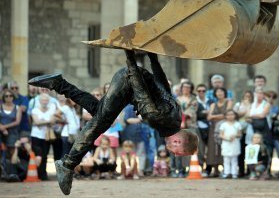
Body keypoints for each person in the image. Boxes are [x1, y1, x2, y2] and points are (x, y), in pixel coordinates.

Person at [28, 51, 198, 195]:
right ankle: (68, 164)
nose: (174, 154)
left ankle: (58, 83)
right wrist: (130, 56)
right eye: (178, 152)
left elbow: (162, 85)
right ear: (177, 141)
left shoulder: (175, 116)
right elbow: (140, 90)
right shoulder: (158, 117)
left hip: (133, 81)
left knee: (98, 111)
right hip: (129, 81)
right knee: (99, 123)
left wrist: (153, 58)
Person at [206, 87, 233, 177]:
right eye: (217, 92)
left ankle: (226, 169)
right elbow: (209, 117)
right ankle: (215, 170)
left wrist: (214, 116)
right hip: (213, 128)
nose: (219, 93)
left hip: (225, 128)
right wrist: (219, 116)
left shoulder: (229, 102)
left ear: (225, 93)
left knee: (224, 148)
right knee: (213, 149)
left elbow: (227, 115)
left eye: (221, 91)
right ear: (215, 94)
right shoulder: (213, 104)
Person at [30, 93, 55, 181]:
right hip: (35, 135)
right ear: (39, 101)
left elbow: (52, 122)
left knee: (44, 156)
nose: (44, 101)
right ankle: (36, 174)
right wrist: (46, 121)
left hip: (46, 136)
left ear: (48, 101)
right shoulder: (35, 110)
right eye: (43, 100)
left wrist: (42, 121)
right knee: (38, 154)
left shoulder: (51, 110)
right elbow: (36, 122)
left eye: (46, 100)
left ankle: (43, 175)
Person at [233, 90, 254, 177]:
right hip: (240, 131)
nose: (247, 98)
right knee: (240, 152)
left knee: (249, 151)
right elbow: (234, 115)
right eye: (245, 96)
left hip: (250, 131)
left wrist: (248, 107)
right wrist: (245, 110)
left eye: (249, 96)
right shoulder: (238, 105)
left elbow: (251, 116)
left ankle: (249, 170)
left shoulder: (253, 105)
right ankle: (241, 170)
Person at [220, 110, 242, 179]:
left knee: (234, 159)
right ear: (226, 116)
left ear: (235, 115)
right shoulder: (223, 125)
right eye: (228, 115)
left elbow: (240, 134)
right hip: (226, 143)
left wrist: (235, 136)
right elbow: (221, 135)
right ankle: (226, 173)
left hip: (235, 143)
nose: (230, 116)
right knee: (226, 159)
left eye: (232, 114)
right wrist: (227, 138)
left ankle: (234, 173)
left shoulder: (237, 124)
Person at [0, 89, 22, 158]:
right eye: (6, 96)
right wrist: (2, 128)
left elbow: (17, 122)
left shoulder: (17, 108)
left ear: (13, 97)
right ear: (3, 97)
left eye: (10, 95)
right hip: (0, 132)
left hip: (12, 133)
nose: (8, 97)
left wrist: (4, 127)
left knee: (12, 154)